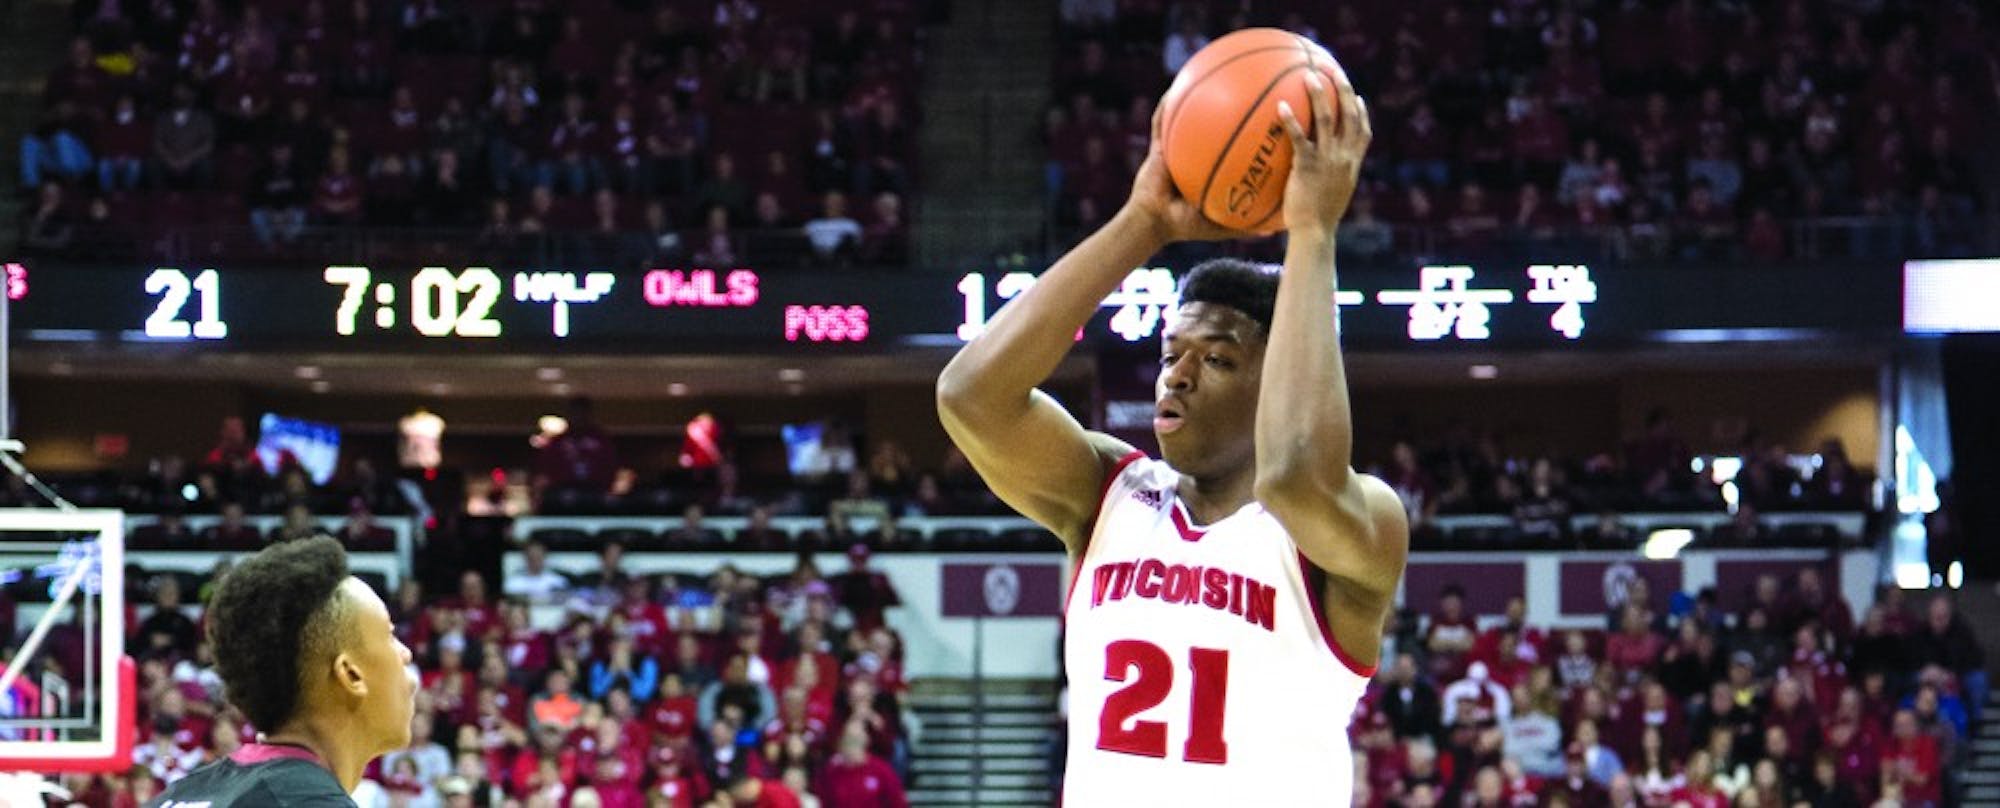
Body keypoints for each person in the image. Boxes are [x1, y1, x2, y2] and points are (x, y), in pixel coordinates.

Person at [937, 72, 1401, 802]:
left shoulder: (1362, 521)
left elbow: (1292, 474)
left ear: (1276, 377)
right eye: (1169, 355)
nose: (1175, 378)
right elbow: (971, 396)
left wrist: (1313, 233)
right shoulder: (1110, 494)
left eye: (1216, 360)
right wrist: (1144, 222)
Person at [148, 536, 417, 805]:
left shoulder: (174, 796)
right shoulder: (309, 803)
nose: (406, 653)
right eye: (390, 635)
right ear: (351, 675)